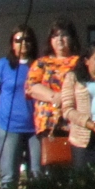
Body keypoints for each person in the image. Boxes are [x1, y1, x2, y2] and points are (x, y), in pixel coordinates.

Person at [0, 26, 43, 184]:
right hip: (9, 128)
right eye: (18, 40)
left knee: (37, 175)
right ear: (12, 44)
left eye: (27, 39)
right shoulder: (2, 66)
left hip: (36, 129)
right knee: (9, 177)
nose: (23, 43)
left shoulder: (40, 66)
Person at [29, 22, 81, 173]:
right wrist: (55, 96)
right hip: (48, 124)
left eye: (64, 35)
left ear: (72, 38)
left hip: (74, 122)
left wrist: (66, 99)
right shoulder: (41, 63)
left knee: (71, 169)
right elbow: (31, 87)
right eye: (55, 35)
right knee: (47, 169)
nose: (60, 39)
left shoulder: (79, 62)